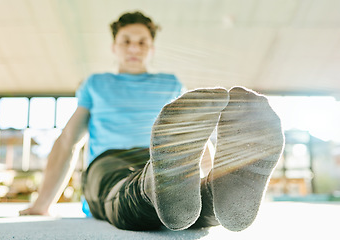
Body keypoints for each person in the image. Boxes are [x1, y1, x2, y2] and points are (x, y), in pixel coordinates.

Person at [20, 11, 284, 232]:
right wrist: (43, 203)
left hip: (162, 157)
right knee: (124, 191)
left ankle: (214, 193)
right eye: (126, 41)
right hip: (109, 163)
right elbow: (68, 141)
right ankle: (162, 188)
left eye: (142, 42)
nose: (134, 48)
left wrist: (206, 177)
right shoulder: (97, 83)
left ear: (152, 49)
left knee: (184, 203)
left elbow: (194, 138)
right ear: (114, 47)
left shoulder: (169, 84)